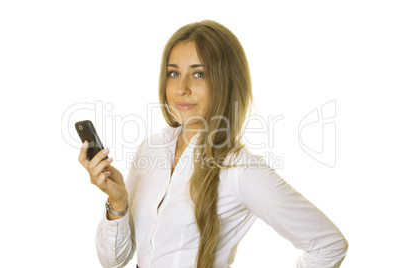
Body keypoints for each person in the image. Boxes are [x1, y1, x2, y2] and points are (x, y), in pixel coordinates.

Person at [78, 20, 348, 268]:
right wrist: (118, 200)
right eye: (173, 73)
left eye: (198, 75)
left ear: (225, 82)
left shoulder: (241, 169)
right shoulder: (151, 149)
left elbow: (328, 245)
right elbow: (113, 260)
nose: (181, 88)